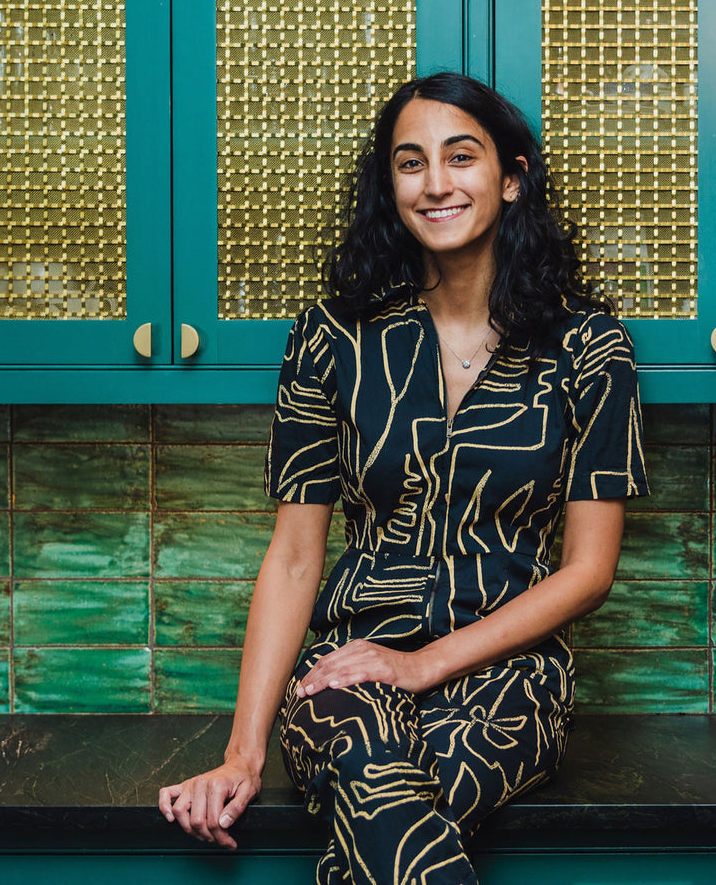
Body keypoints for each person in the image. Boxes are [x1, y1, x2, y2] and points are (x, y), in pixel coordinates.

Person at [158, 72, 649, 883]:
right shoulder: (331, 340)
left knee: (385, 819)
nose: (436, 183)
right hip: (350, 671)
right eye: (410, 162)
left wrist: (422, 665)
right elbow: (292, 558)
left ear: (512, 177)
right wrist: (242, 756)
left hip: (509, 680)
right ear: (391, 187)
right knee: (384, 800)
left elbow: (589, 572)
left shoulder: (589, 349)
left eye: (462, 157)